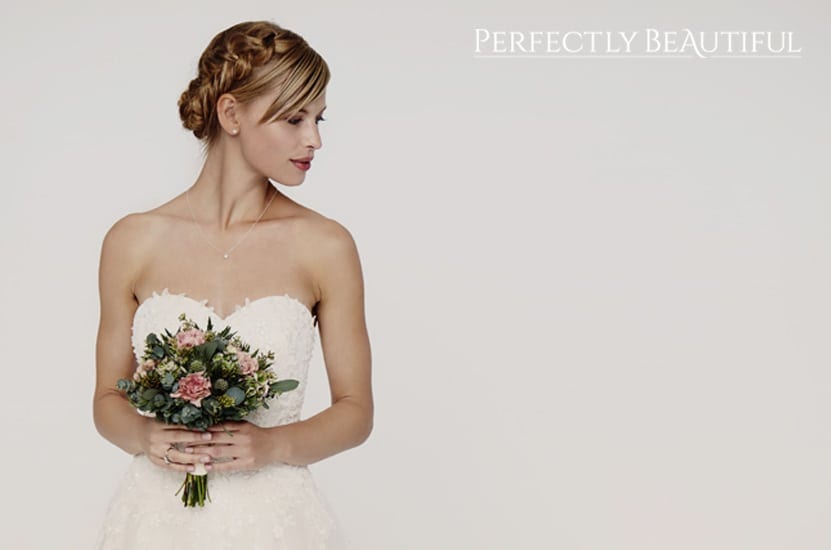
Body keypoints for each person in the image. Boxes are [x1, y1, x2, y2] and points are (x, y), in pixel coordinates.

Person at [93, 20, 373, 549]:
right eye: (295, 118)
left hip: (274, 522)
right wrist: (146, 435)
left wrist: (271, 446)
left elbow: (356, 411)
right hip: (155, 519)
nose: (315, 138)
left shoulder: (325, 245)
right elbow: (107, 397)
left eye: (318, 118)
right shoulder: (132, 240)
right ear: (230, 113)